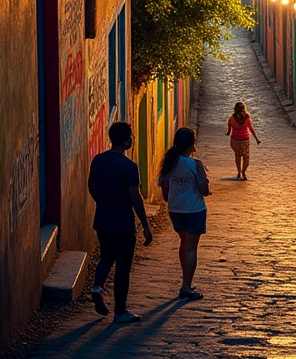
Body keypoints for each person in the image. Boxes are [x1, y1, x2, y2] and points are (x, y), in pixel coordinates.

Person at [88, 121, 152, 324]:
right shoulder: (129, 167)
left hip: (103, 220)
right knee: (123, 267)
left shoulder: (98, 160)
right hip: (123, 223)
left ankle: (97, 287)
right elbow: (135, 197)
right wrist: (145, 224)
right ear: (126, 141)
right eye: (131, 136)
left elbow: (91, 186)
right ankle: (120, 311)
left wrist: (102, 201)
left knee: (106, 257)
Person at [158, 127, 210, 300]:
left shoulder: (169, 163)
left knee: (184, 242)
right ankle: (186, 286)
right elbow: (204, 190)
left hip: (175, 209)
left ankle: (185, 279)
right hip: (194, 210)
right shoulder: (195, 165)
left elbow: (165, 192)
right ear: (191, 144)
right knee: (191, 248)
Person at [226, 101, 260, 180]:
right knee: (246, 157)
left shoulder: (232, 117)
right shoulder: (247, 117)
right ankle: (243, 172)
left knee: (237, 156)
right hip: (245, 140)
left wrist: (228, 132)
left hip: (235, 140)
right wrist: (256, 139)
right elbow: (251, 128)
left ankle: (238, 172)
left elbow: (229, 126)